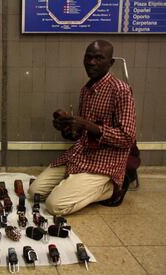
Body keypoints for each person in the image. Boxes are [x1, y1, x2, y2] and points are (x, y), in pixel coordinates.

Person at [28, 40, 136, 215]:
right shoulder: (86, 90)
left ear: (111, 63)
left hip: (105, 162)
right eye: (88, 57)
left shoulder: (121, 91)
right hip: (80, 155)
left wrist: (87, 125)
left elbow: (127, 138)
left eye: (99, 58)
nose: (91, 62)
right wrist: (66, 127)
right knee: (35, 192)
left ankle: (113, 188)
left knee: (54, 206)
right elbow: (80, 135)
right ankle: (76, 182)